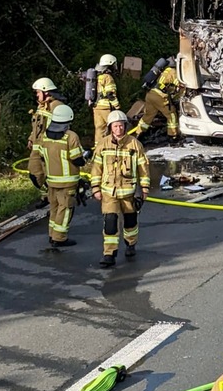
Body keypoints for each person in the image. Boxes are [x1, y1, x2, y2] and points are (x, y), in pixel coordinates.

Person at [90, 110, 149, 267]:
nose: (119, 129)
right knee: (110, 223)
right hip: (109, 192)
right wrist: (95, 188)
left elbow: (143, 168)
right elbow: (96, 168)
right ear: (110, 127)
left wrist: (144, 189)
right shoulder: (103, 145)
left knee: (130, 222)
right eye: (115, 126)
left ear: (125, 126)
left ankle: (130, 244)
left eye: (121, 126)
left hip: (129, 193)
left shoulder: (135, 144)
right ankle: (109, 254)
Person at [28, 105, 85, 249]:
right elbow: (77, 159)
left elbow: (40, 155)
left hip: (51, 181)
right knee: (65, 209)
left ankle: (52, 234)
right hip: (68, 183)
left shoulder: (44, 136)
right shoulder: (71, 136)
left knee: (54, 208)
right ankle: (59, 238)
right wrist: (86, 157)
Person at [133, 59, 182, 141]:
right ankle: (173, 136)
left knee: (148, 115)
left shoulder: (162, 71)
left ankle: (139, 134)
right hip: (159, 96)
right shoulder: (173, 72)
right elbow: (180, 85)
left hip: (150, 94)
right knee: (171, 114)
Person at [28, 77, 66, 151]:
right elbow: (37, 126)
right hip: (37, 147)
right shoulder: (41, 106)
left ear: (46, 92)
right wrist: (31, 139)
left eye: (38, 92)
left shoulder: (58, 106)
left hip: (50, 149)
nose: (37, 95)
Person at [90, 54, 120, 143]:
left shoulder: (97, 76)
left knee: (99, 130)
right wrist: (117, 106)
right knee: (114, 127)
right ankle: (114, 147)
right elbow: (110, 93)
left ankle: (98, 149)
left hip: (96, 106)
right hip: (106, 107)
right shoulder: (107, 77)